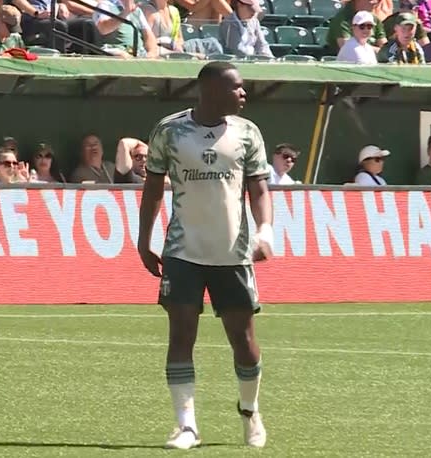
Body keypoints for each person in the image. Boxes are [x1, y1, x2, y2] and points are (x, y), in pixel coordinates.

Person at [137, 61, 274, 450]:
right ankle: (186, 426)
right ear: (211, 89)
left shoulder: (247, 133)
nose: (243, 93)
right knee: (181, 334)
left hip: (232, 252)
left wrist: (265, 230)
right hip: (183, 250)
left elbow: (260, 189)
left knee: (243, 341)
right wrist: (144, 238)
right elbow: (153, 189)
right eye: (237, 87)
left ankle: (250, 412)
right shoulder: (170, 131)